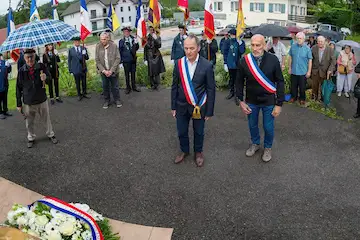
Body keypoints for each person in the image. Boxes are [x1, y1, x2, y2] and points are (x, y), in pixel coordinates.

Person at [235, 34, 285, 162]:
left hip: (269, 101)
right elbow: (239, 82)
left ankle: (267, 147)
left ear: (264, 45)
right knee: (252, 125)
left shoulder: (273, 60)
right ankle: (255, 144)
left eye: (258, 45)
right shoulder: (244, 61)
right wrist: (240, 101)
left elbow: (280, 81)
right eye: (252, 45)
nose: (255, 48)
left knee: (268, 127)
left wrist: (279, 104)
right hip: (251, 100)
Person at [171, 33, 216, 167]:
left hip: (199, 106)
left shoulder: (207, 65)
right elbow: (174, 86)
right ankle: (184, 150)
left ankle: (198, 152)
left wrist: (209, 111)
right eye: (186, 48)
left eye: (191, 48)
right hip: (181, 105)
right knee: (182, 131)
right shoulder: (179, 64)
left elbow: (211, 89)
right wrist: (173, 107)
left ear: (198, 48)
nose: (189, 51)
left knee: (199, 131)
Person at [16, 48, 58, 148]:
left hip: (41, 99)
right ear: (24, 58)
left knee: (46, 119)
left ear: (35, 57)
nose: (30, 60)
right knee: (29, 123)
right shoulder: (22, 70)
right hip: (28, 102)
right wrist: (18, 103)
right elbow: (18, 88)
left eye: (32, 57)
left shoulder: (41, 67)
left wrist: (45, 78)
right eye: (27, 57)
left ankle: (50, 134)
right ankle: (31, 137)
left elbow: (49, 79)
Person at [95, 32, 122, 109]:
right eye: (101, 39)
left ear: (108, 38)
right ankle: (107, 101)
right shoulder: (98, 46)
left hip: (113, 71)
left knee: (115, 86)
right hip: (103, 71)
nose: (102, 41)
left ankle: (117, 100)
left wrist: (111, 70)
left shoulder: (114, 46)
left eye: (104, 39)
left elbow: (118, 58)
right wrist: (104, 71)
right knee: (105, 87)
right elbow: (97, 60)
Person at [288, 32, 313, 105]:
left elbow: (310, 60)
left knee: (302, 87)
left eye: (300, 38)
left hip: (303, 71)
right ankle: (293, 97)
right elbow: (290, 57)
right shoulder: (293, 46)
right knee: (293, 86)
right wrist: (289, 68)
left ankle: (302, 99)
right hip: (294, 71)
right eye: (298, 38)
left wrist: (309, 71)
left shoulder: (307, 49)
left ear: (304, 39)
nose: (299, 40)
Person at [310, 35, 335, 101]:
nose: (320, 43)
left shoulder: (330, 49)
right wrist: (310, 69)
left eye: (321, 41)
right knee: (314, 85)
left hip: (325, 71)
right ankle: (314, 97)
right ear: (317, 42)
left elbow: (333, 61)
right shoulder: (313, 48)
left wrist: (330, 70)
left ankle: (322, 98)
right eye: (319, 41)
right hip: (315, 70)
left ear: (324, 42)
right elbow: (310, 59)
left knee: (323, 86)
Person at [224, 28, 245, 101]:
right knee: (231, 79)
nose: (232, 36)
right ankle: (231, 92)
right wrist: (225, 63)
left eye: (233, 35)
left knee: (238, 80)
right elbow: (225, 53)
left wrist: (240, 43)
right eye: (231, 35)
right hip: (230, 64)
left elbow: (242, 51)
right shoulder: (227, 42)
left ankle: (237, 95)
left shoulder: (240, 42)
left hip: (237, 64)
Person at [119, 26, 141, 94]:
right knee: (127, 75)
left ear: (129, 32)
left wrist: (137, 43)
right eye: (125, 31)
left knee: (133, 74)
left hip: (133, 59)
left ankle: (134, 87)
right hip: (126, 60)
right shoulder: (121, 41)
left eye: (127, 31)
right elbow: (120, 51)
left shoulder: (133, 39)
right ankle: (128, 88)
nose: (126, 33)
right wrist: (120, 62)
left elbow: (136, 48)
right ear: (123, 32)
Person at [68, 36, 90, 101]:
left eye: (78, 41)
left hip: (83, 68)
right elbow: (69, 60)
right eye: (75, 41)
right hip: (75, 69)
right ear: (74, 42)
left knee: (84, 82)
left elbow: (87, 58)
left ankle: (84, 93)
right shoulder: (71, 50)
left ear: (80, 42)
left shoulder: (83, 48)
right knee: (77, 83)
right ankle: (79, 95)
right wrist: (70, 70)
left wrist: (85, 54)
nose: (77, 42)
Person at [144, 26, 166, 91]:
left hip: (156, 56)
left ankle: (157, 85)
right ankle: (152, 85)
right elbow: (145, 49)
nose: (151, 31)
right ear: (148, 30)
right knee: (151, 72)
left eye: (152, 30)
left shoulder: (157, 37)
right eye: (149, 30)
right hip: (149, 56)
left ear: (154, 30)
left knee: (157, 71)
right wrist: (145, 59)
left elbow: (159, 45)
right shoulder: (146, 38)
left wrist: (155, 38)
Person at [0, 53, 12, 119]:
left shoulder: (4, 62)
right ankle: (0, 112)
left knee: (5, 98)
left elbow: (9, 71)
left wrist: (9, 66)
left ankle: (5, 110)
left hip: (5, 83)